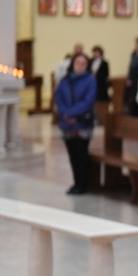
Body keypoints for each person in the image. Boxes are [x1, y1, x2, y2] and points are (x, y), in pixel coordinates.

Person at [54, 52, 97, 195]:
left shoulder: (90, 80)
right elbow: (59, 97)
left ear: (87, 66)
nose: (80, 66)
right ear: (72, 64)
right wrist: (65, 114)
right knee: (72, 155)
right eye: (77, 63)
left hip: (82, 123)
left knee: (82, 154)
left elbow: (88, 101)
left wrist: (72, 114)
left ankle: (83, 184)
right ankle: (76, 182)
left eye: (83, 64)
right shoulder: (65, 80)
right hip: (67, 123)